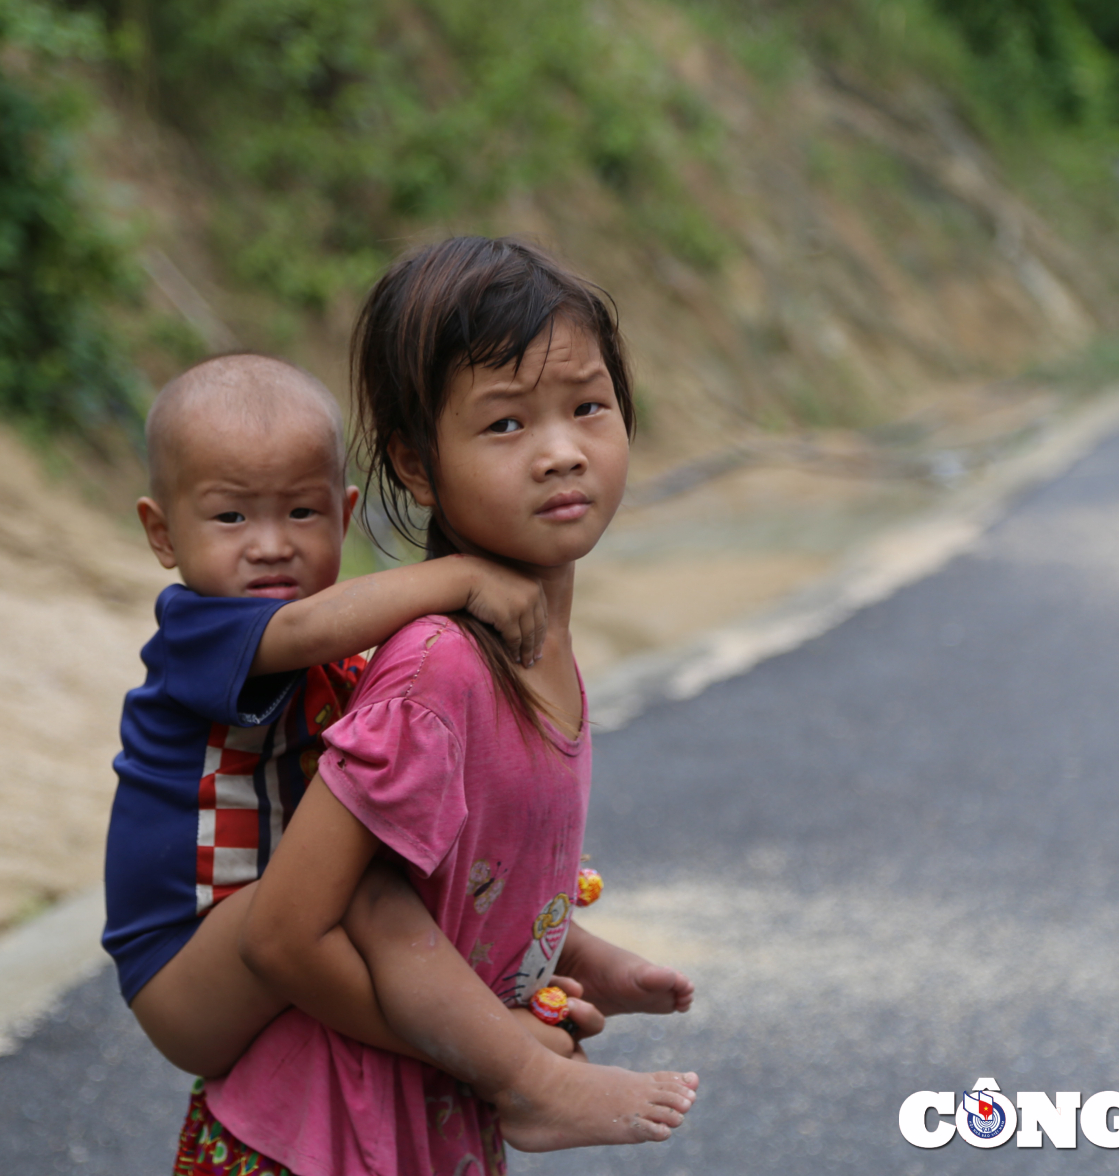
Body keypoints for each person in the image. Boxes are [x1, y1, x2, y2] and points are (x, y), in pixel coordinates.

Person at [195, 237, 701, 1175]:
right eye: (505, 425)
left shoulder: (539, 654)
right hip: (316, 1141)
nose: (560, 452)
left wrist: (577, 960)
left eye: (588, 408)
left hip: (415, 1131)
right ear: (418, 466)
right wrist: (507, 1063)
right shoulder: (440, 670)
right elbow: (286, 935)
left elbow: (459, 894)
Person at [103, 353, 663, 1127]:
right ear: (162, 533)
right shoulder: (198, 630)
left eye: (301, 513)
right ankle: (516, 1067)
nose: (271, 544)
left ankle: (570, 952)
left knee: (397, 857)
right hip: (180, 961)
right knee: (370, 895)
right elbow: (300, 626)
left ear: (343, 515)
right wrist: (462, 578)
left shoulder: (337, 645)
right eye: (231, 517)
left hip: (254, 917)